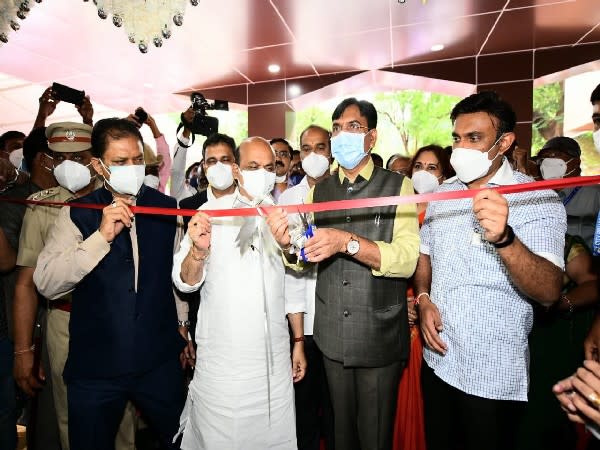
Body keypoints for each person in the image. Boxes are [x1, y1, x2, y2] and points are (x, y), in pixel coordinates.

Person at [414, 91, 566, 450]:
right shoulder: (444, 193)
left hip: (493, 372)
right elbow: (424, 254)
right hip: (438, 361)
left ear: (505, 142)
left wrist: (505, 238)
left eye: (474, 138)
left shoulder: (536, 198)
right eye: (457, 138)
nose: (461, 147)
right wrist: (422, 298)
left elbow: (549, 290)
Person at [268, 97, 420, 450]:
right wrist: (289, 246)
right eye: (337, 127)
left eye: (353, 127)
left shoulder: (398, 187)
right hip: (332, 335)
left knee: (375, 435)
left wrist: (348, 242)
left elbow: (407, 259)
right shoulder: (318, 191)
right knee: (340, 435)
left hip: (379, 335)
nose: (342, 134)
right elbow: (305, 257)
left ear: (372, 138)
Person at [32, 118, 187, 450]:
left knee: (182, 439)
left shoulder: (166, 208)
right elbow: (46, 282)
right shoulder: (76, 214)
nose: (131, 168)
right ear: (100, 166)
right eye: (120, 162)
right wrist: (100, 237)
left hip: (157, 359)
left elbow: (174, 273)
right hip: (95, 366)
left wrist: (182, 322)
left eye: (136, 160)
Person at [172, 136, 305, 450]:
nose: (262, 173)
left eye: (269, 167)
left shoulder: (284, 216)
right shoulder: (207, 214)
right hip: (222, 366)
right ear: (235, 170)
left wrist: (298, 342)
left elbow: (298, 274)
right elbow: (184, 282)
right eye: (253, 166)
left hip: (271, 365)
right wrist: (198, 252)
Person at [13, 122, 139, 450]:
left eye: (79, 157)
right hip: (64, 323)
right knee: (75, 420)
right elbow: (27, 283)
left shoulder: (122, 196)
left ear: (95, 161)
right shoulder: (43, 206)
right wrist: (23, 350)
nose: (70, 165)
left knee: (122, 421)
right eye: (61, 157)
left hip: (115, 323)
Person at [392, 143, 453, 450]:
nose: (423, 174)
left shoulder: (448, 211)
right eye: (418, 167)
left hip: (429, 310)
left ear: (445, 174)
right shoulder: (397, 208)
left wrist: (421, 298)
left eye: (432, 168)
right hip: (394, 310)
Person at [279, 125, 334, 450]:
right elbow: (291, 275)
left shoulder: (345, 195)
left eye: (320, 147)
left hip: (340, 323)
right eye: (306, 149)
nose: (314, 155)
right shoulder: (289, 199)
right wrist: (298, 338)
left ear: (331, 150)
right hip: (305, 324)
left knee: (337, 412)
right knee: (303, 412)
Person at [536, 136, 600, 249]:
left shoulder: (594, 193)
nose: (547, 161)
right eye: (543, 158)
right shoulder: (539, 194)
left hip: (587, 262)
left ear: (576, 162)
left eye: (554, 155)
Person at [270, 137, 294, 201]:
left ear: (290, 161)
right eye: (273, 154)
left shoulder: (300, 188)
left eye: (283, 154)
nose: (278, 159)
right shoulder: (259, 190)